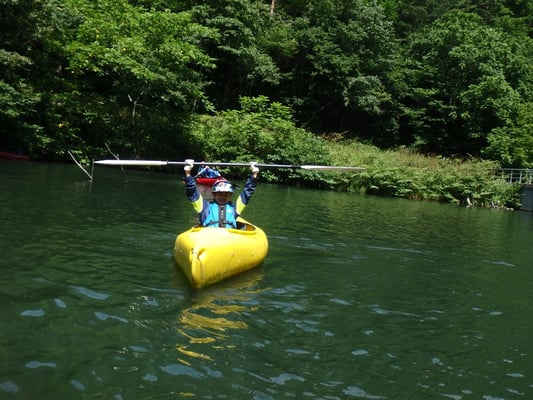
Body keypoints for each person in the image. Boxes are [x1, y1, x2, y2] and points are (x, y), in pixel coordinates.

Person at [183, 159, 259, 228]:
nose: (223, 197)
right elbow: (192, 193)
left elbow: (247, 193)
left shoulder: (235, 208)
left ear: (230, 195)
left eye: (226, 194)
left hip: (229, 236)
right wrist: (188, 173)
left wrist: (254, 174)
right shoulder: (204, 207)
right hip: (209, 236)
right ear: (214, 195)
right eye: (220, 194)